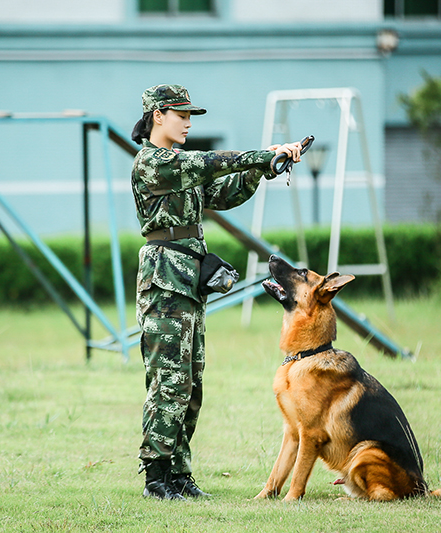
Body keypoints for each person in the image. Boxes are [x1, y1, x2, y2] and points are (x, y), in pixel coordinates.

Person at [130, 84, 302, 501]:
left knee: (190, 384)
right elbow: (210, 164)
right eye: (181, 114)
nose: (189, 122)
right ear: (158, 115)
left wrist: (265, 169)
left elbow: (225, 192)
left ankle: (180, 476)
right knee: (168, 381)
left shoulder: (180, 169)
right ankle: (157, 479)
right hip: (165, 278)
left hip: (187, 280)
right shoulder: (154, 163)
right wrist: (264, 153)